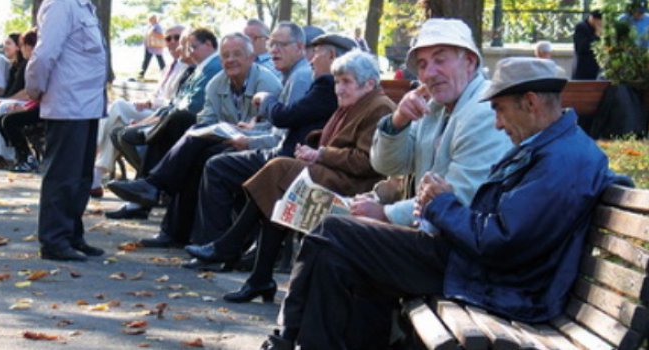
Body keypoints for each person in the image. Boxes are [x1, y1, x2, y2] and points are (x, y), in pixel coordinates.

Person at [257, 56, 617, 350]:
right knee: (339, 257)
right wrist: (432, 201)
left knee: (333, 233)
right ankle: (288, 341)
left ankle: (284, 340)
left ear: (531, 103)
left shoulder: (561, 160)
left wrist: (440, 204)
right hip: (481, 266)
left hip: (499, 282)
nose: (496, 124)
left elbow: (499, 242)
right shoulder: (552, 146)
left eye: (500, 110)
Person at [187, 50, 395, 305]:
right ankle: (259, 278)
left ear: (369, 84)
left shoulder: (379, 107)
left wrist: (320, 154)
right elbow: (342, 144)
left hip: (355, 187)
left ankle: (230, 245)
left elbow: (367, 162)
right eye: (337, 81)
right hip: (335, 175)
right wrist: (313, 149)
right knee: (278, 196)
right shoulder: (356, 102)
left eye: (346, 82)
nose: (339, 88)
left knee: (279, 170)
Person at [181, 34, 355, 270]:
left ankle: (219, 249)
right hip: (297, 156)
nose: (311, 60)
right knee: (215, 157)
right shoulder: (318, 81)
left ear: (332, 56)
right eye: (272, 45)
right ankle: (242, 263)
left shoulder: (320, 82)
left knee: (221, 167)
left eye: (281, 44)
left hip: (302, 162)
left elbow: (285, 117)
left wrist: (266, 100)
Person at [107, 32, 282, 247]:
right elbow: (206, 120)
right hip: (225, 141)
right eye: (225, 55)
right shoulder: (216, 84)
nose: (230, 60)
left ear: (251, 57)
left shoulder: (268, 83)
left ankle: (158, 195)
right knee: (189, 139)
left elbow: (273, 129)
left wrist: (242, 132)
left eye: (237, 54)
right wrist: (226, 130)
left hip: (254, 145)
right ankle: (168, 218)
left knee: (194, 153)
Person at [350, 18, 510, 234]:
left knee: (335, 233)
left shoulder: (484, 109)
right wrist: (398, 121)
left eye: (440, 60)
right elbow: (386, 165)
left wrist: (386, 214)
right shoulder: (434, 108)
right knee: (334, 232)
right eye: (423, 65)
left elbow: (463, 196)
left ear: (470, 62)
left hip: (460, 246)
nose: (429, 74)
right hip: (431, 231)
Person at [105, 28, 221, 219]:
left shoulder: (214, 67)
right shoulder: (200, 68)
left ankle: (145, 194)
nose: (189, 51)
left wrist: (153, 124)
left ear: (209, 44)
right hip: (183, 123)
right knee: (140, 130)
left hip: (203, 127)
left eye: (193, 47)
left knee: (172, 122)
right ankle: (145, 193)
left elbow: (193, 106)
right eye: (188, 48)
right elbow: (176, 102)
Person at [25, 0, 107, 261]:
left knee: (81, 178)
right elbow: (45, 53)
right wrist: (34, 90)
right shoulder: (61, 4)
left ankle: (71, 234)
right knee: (63, 176)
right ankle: (54, 240)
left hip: (88, 106)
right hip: (68, 104)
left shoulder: (85, 7)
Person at [91, 24, 187, 196]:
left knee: (118, 106)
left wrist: (150, 103)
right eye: (168, 38)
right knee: (117, 121)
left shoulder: (188, 67)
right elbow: (158, 94)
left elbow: (175, 102)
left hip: (164, 116)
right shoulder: (168, 67)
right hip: (153, 111)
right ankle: (96, 177)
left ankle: (93, 154)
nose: (172, 42)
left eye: (177, 37)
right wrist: (147, 101)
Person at [0, 28, 40, 173]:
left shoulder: (34, 64)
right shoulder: (19, 66)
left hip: (41, 108)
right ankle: (16, 156)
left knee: (6, 116)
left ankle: (12, 157)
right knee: (2, 119)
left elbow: (31, 91)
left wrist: (10, 102)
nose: (21, 49)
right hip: (34, 104)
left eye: (21, 46)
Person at [0, 32, 26, 168]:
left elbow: (28, 91)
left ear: (18, 47)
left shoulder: (26, 64)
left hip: (24, 102)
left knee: (1, 107)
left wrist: (5, 100)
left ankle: (6, 156)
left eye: (8, 43)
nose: (5, 47)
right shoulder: (14, 67)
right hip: (11, 99)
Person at [572, 10, 602, 79]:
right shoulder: (581, 27)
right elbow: (583, 47)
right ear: (594, 19)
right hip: (583, 68)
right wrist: (597, 35)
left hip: (594, 68)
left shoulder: (596, 29)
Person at [138, 14, 166, 79]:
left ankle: (165, 74)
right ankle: (141, 73)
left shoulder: (158, 26)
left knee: (160, 60)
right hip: (149, 46)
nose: (150, 20)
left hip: (156, 47)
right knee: (146, 60)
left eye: (151, 18)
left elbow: (161, 36)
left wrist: (153, 34)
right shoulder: (150, 26)